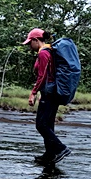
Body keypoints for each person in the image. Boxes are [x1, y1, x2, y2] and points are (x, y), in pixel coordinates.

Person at [24, 27, 70, 165]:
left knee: (41, 124)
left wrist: (33, 92)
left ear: (36, 40)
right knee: (48, 125)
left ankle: (61, 148)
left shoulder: (43, 53)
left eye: (29, 43)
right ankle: (49, 155)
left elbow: (42, 75)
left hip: (49, 94)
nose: (29, 46)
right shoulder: (50, 50)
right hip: (51, 92)